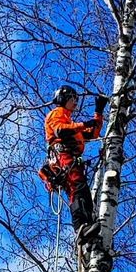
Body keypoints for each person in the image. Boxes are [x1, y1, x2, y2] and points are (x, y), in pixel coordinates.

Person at [38, 84, 108, 243]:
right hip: (63, 156)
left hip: (70, 159)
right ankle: (82, 226)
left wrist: (98, 112)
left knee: (81, 190)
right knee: (77, 187)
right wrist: (83, 124)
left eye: (76, 99)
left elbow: (93, 133)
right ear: (63, 99)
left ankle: (88, 229)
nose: (75, 102)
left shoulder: (70, 122)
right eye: (72, 98)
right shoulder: (57, 113)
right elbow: (60, 130)